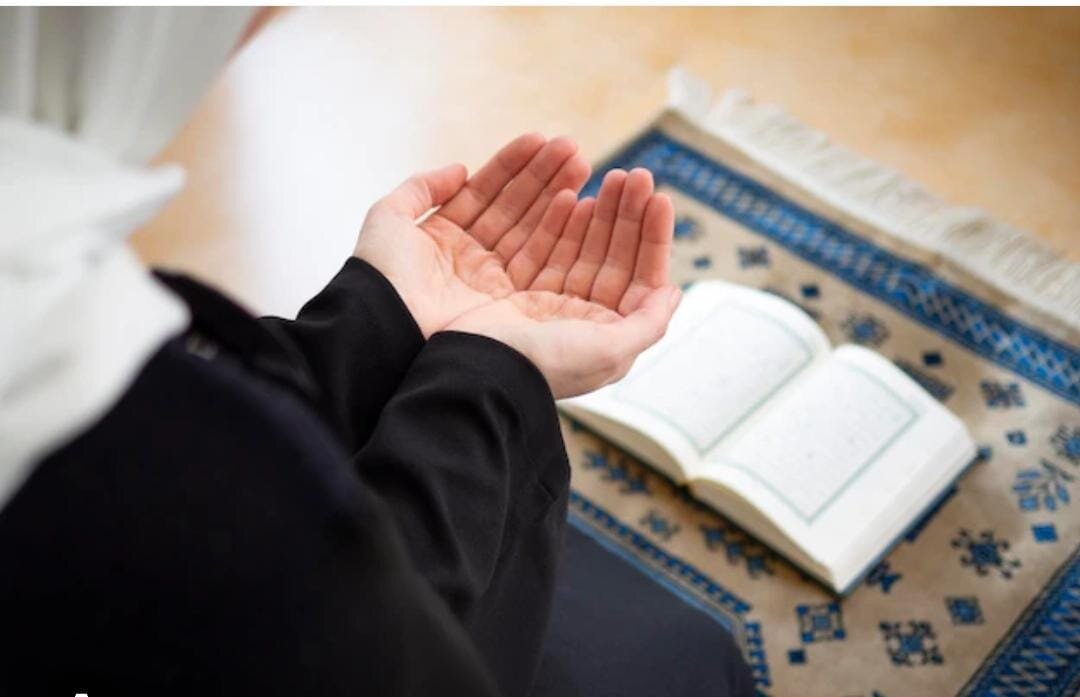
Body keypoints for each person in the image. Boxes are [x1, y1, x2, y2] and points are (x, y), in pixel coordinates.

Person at [1, 9, 690, 695]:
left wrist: (377, 319)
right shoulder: (100, 432)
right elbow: (375, 646)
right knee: (681, 652)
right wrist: (491, 380)